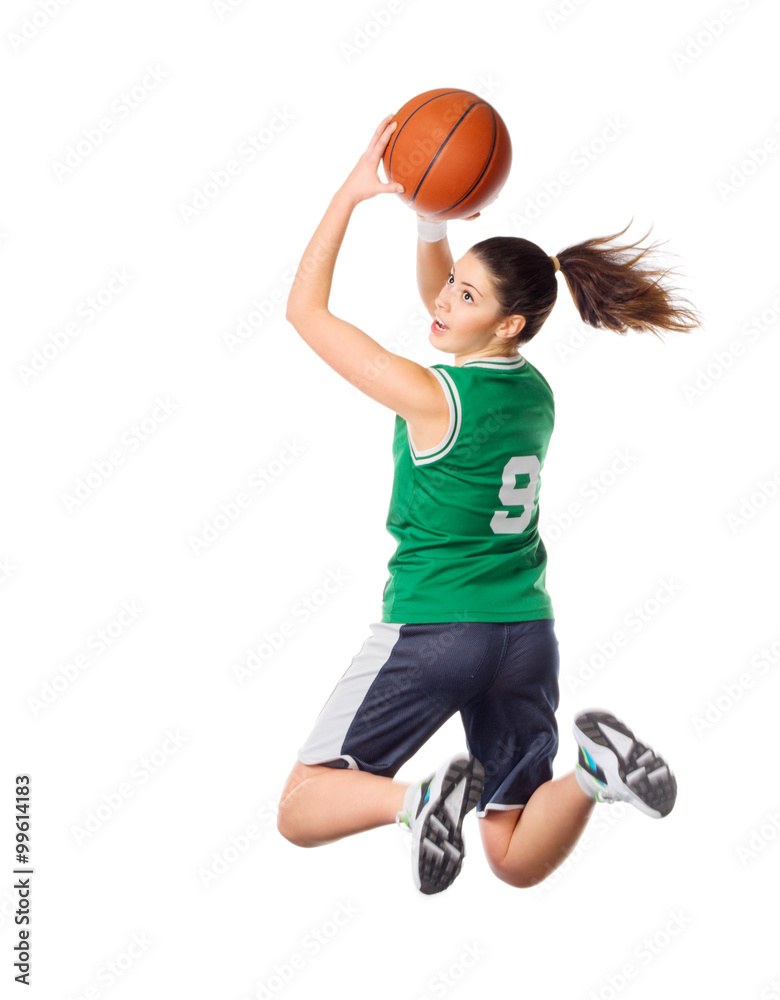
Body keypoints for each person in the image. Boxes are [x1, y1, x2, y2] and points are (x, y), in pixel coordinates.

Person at [277, 115, 700, 895]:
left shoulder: (431, 398)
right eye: (449, 284)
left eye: (462, 294)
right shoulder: (531, 391)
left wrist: (352, 191)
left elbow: (306, 313)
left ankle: (418, 801)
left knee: (302, 807)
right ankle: (596, 777)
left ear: (506, 321)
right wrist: (429, 222)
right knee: (512, 851)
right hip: (525, 636)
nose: (439, 301)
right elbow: (454, 320)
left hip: (439, 628)